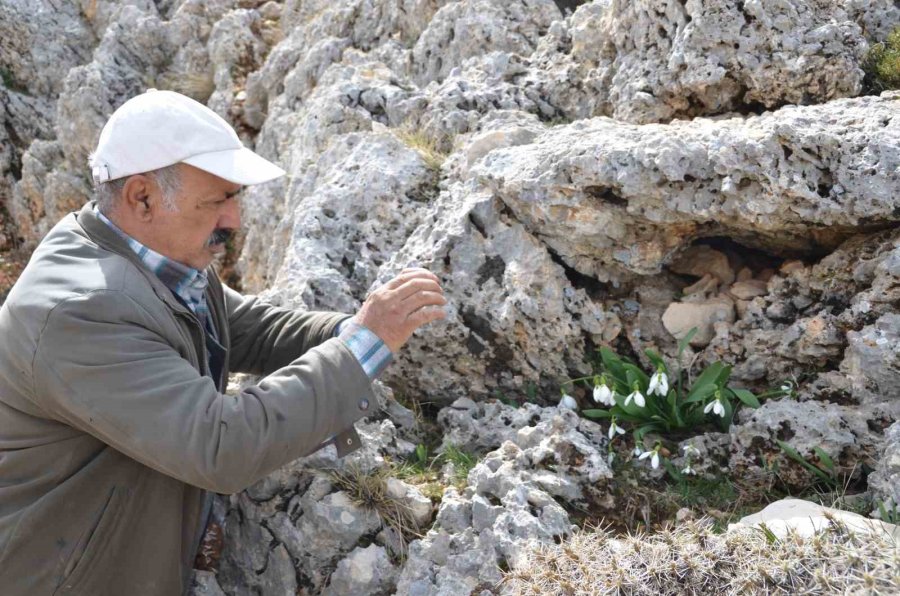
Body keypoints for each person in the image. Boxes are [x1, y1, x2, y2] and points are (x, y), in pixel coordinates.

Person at [0, 89, 446, 595]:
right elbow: (219, 444)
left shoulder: (153, 257)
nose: (234, 219)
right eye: (218, 200)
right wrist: (360, 350)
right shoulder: (79, 312)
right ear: (141, 197)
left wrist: (359, 330)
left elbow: (243, 328)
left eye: (234, 197)